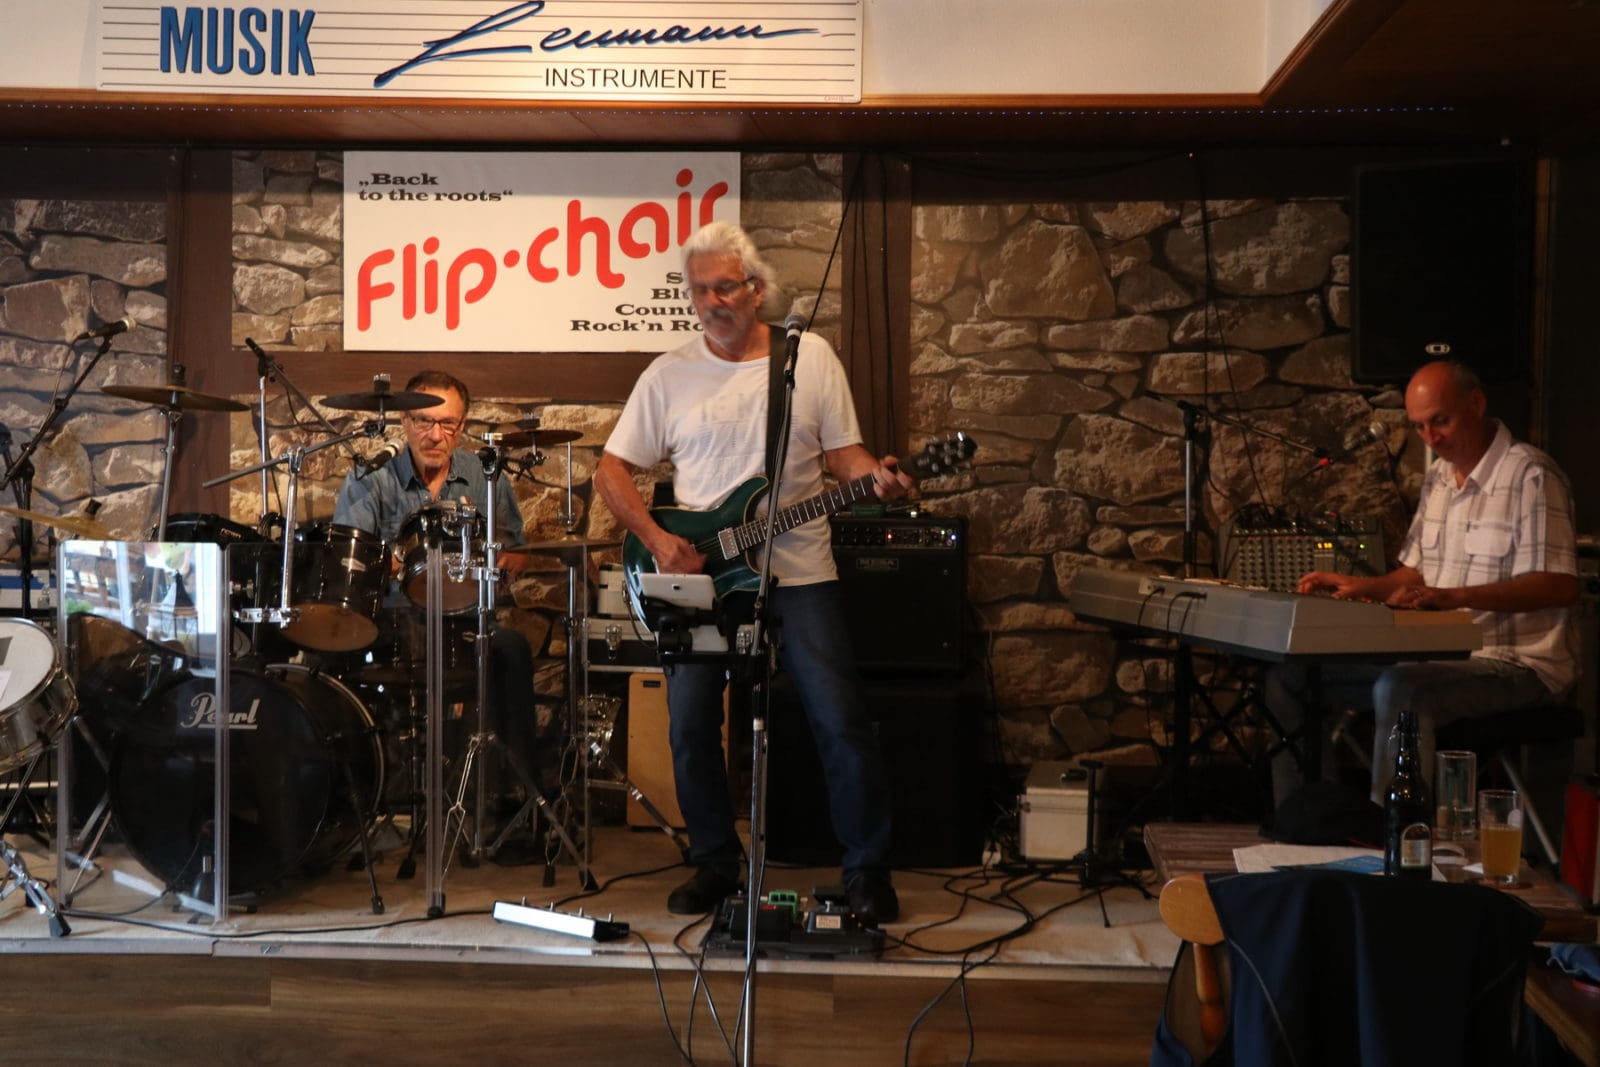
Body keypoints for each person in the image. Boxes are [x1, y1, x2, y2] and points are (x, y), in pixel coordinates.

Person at [593, 220, 913, 922]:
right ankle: (714, 862)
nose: (711, 302)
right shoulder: (669, 373)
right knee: (690, 725)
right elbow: (610, 471)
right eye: (699, 290)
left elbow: (844, 456)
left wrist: (876, 478)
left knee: (840, 718)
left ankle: (866, 870)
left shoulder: (809, 358)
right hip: (700, 576)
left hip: (800, 570)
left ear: (756, 289)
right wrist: (658, 539)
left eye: (725, 287)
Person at [1268, 360, 1580, 805]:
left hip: (1517, 666)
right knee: (1291, 677)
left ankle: (1392, 831)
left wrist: (1453, 598)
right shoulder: (1439, 478)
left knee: (1401, 688)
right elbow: (1417, 572)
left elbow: (1558, 585)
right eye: (1419, 427)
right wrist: (1362, 587)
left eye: (1440, 421)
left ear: (1476, 403)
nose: (1431, 438)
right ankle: (1311, 820)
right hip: (1440, 658)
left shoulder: (1531, 475)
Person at [333, 369, 543, 854]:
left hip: (469, 625)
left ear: (462, 425)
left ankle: (518, 807)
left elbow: (517, 549)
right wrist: (387, 564)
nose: (435, 435)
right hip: (394, 626)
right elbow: (351, 559)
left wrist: (503, 565)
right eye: (425, 422)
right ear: (404, 422)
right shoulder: (372, 478)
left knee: (512, 650)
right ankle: (353, 803)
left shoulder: (486, 476)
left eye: (448, 423)